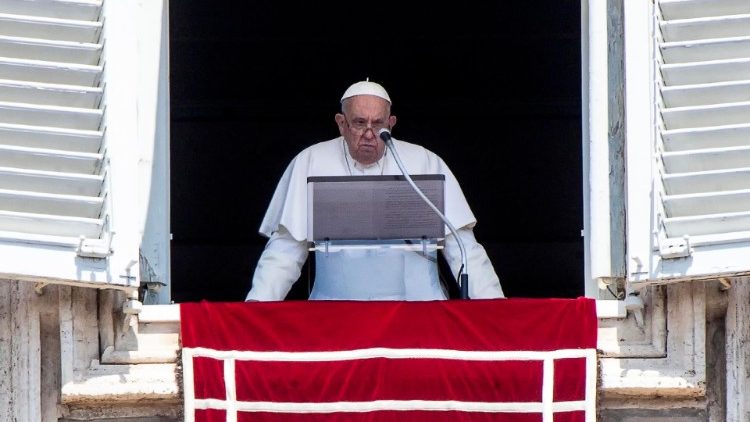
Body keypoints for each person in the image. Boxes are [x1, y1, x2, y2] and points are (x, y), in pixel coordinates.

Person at [245, 80, 504, 301]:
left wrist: (495, 310)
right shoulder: (310, 161)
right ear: (341, 123)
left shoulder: (424, 161)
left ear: (391, 123)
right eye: (359, 123)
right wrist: (255, 308)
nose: (369, 133)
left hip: (418, 310)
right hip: (336, 310)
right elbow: (285, 251)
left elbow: (463, 249)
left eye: (378, 124)